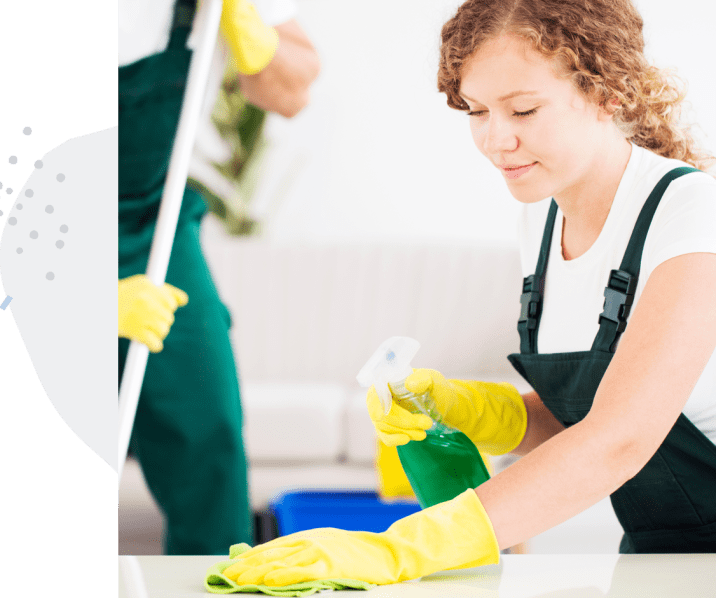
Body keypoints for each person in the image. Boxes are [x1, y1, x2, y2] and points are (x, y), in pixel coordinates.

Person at [221, 0, 716, 585]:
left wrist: (397, 549)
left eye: (524, 110)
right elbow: (583, 417)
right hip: (666, 558)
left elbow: (622, 438)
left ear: (609, 92)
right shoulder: (542, 220)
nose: (496, 139)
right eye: (477, 110)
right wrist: (472, 409)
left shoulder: (691, 215)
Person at [117, 0, 320, 555]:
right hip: (22, 220)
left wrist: (256, 37)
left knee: (207, 435)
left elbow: (292, 92)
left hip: (153, 226)